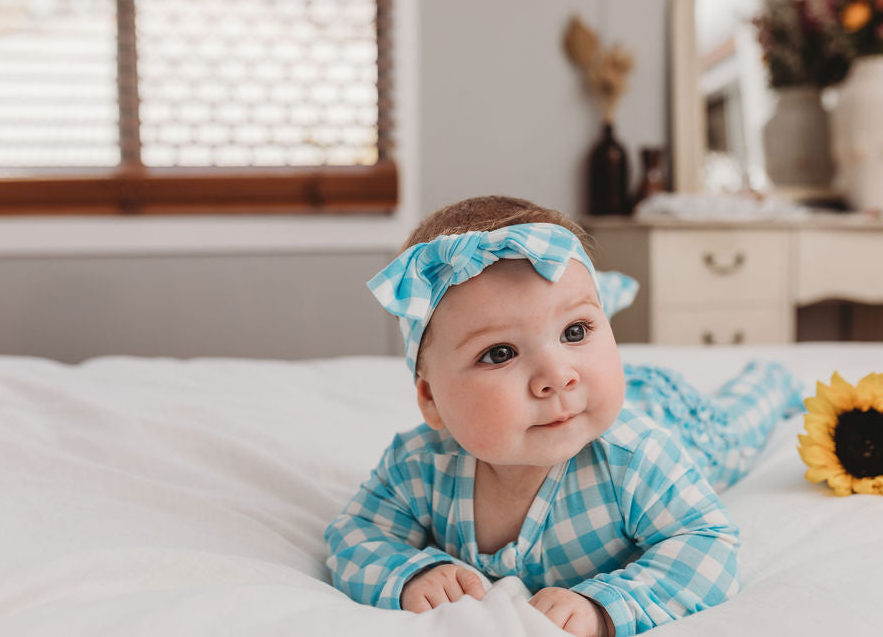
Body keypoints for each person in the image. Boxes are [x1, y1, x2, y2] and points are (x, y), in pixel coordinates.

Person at [326, 196, 803, 637]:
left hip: (682, 427)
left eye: (576, 330)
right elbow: (356, 536)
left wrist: (606, 605)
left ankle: (771, 378)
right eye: (500, 354)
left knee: (738, 425)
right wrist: (410, 575)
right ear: (430, 400)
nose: (556, 375)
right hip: (596, 407)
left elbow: (708, 545)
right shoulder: (420, 466)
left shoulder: (635, 456)